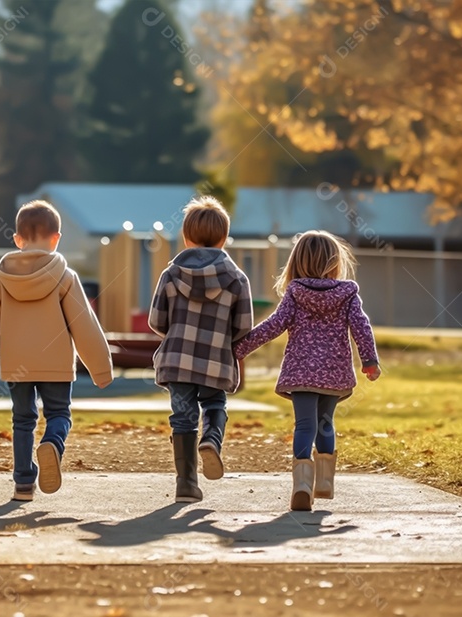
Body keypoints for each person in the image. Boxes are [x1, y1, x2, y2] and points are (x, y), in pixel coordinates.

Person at [0, 200, 113, 502]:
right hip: (56, 363)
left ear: (18, 239)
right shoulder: (65, 276)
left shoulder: (4, 276)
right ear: (56, 238)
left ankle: (23, 483)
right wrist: (101, 368)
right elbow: (84, 323)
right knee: (59, 413)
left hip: (16, 363)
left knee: (22, 420)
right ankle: (52, 443)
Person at [234, 230, 380, 511]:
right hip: (334, 373)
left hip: (300, 374)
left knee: (304, 425)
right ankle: (324, 482)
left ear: (296, 263)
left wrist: (240, 348)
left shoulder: (295, 293)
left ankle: (302, 483)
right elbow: (362, 327)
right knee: (326, 424)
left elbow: (274, 325)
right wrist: (369, 360)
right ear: (335, 263)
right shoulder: (348, 294)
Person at [149, 196, 254, 503]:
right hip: (215, 360)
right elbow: (243, 325)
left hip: (177, 360)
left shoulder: (171, 274)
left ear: (186, 237)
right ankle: (211, 440)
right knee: (214, 405)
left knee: (182, 417)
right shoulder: (236, 278)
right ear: (224, 238)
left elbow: (157, 321)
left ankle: (186, 483)